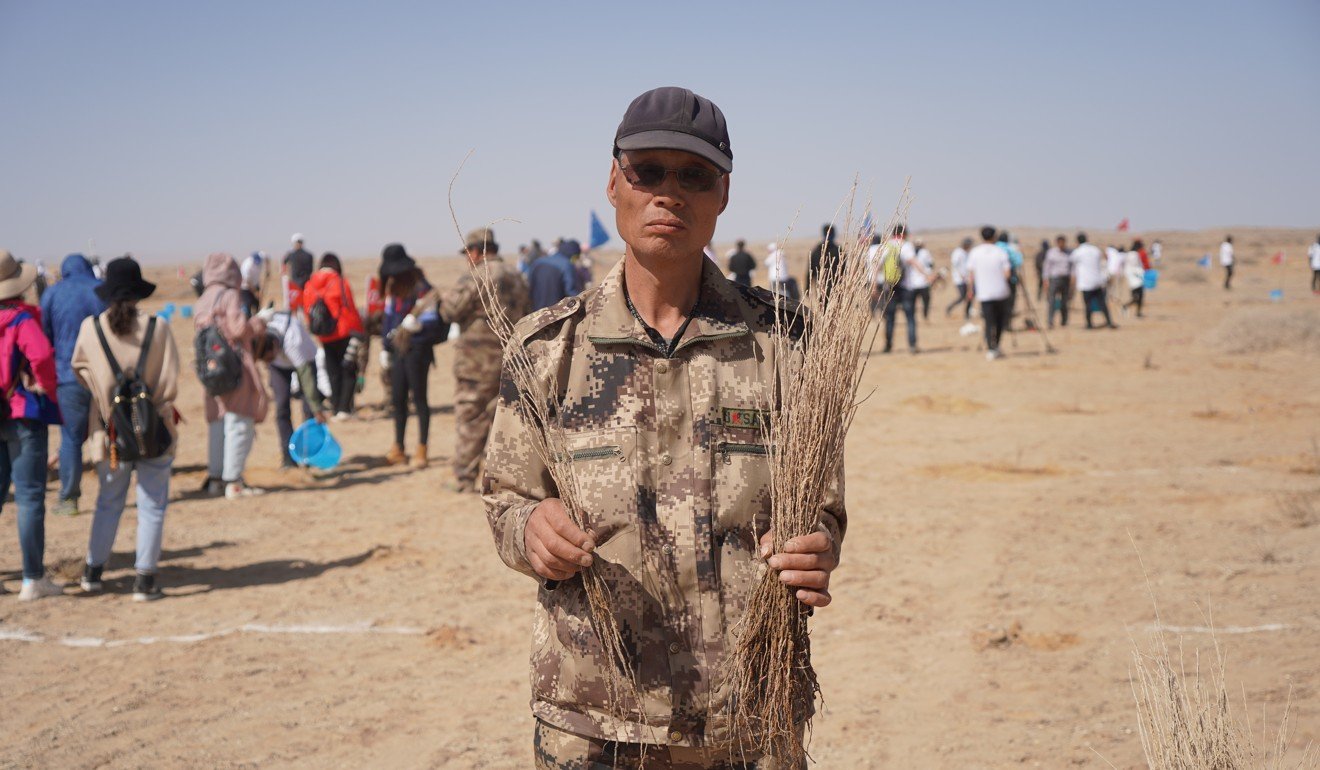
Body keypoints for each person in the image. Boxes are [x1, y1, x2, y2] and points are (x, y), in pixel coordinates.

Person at [485, 86, 843, 768]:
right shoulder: (547, 349)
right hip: (597, 725)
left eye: (694, 175)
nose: (669, 193)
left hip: (752, 720)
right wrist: (531, 530)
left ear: (723, 194)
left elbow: (823, 507)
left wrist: (817, 545)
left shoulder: (787, 345)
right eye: (648, 171)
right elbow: (505, 497)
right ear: (615, 182)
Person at [70, 257, 179, 601]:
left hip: (109, 434)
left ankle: (93, 572)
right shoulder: (158, 328)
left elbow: (79, 369)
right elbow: (170, 381)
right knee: (152, 505)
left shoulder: (91, 329)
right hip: (153, 432)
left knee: (108, 501)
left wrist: (105, 398)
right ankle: (144, 580)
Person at [441, 228, 530, 492]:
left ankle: (465, 479)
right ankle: (503, 483)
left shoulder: (478, 275)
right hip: (511, 361)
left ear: (477, 251)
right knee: (504, 424)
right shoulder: (517, 275)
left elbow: (450, 311)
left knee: (471, 418)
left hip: (476, 363)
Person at [0, 251, 62, 600]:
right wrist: (46, 387)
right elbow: (40, 355)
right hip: (21, 412)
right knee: (28, 497)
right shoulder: (22, 320)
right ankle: (32, 577)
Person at [194, 252, 269, 499]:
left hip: (211, 373)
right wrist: (259, 322)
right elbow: (238, 329)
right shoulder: (229, 296)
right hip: (234, 370)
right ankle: (233, 481)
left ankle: (216, 479)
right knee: (239, 423)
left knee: (218, 423)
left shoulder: (203, 299)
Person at [39, 253, 105, 517]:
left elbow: (46, 335)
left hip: (68, 375)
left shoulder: (52, 294)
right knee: (112, 431)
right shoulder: (100, 290)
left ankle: (68, 498)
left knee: (71, 439)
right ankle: (115, 491)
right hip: (102, 376)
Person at [378, 243, 446, 468]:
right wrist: (385, 348)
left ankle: (421, 449)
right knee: (398, 399)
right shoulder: (393, 289)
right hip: (399, 351)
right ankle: (398, 447)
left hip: (418, 351)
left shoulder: (422, 288)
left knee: (419, 399)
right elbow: (388, 320)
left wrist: (418, 327)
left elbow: (432, 322)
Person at [260, 305, 327, 469]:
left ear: (275, 346)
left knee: (309, 409)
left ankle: (310, 455)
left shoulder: (293, 341)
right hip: (280, 368)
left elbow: (307, 379)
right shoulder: (261, 334)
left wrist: (317, 407)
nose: (267, 362)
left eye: (270, 358)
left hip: (306, 359)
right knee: (282, 406)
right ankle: (288, 459)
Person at [301, 253, 365, 419]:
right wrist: (359, 331)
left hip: (324, 334)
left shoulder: (310, 284)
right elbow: (349, 307)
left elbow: (307, 310)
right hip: (344, 332)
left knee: (333, 371)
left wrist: (317, 330)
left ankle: (336, 407)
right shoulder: (340, 282)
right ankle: (344, 409)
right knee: (349, 369)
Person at [966, 226, 1012, 360]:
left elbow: (971, 274)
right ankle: (995, 345)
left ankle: (991, 348)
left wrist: (970, 290)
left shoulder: (975, 253)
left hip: (984, 294)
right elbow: (1007, 274)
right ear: (994, 236)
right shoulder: (1001, 252)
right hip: (1001, 292)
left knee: (988, 322)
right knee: (999, 322)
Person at [877, 226, 914, 353]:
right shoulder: (906, 245)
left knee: (890, 318)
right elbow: (912, 261)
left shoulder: (886, 246)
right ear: (903, 234)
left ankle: (888, 345)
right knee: (910, 317)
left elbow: (878, 265)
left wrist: (874, 285)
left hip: (889, 286)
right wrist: (926, 275)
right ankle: (912, 345)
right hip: (905, 286)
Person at [1070, 232, 1116, 329]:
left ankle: (1089, 324)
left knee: (1088, 304)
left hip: (1086, 283)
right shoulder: (1095, 249)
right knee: (1102, 303)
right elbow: (1104, 258)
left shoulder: (1077, 252)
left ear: (1077, 241)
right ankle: (1109, 322)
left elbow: (1071, 262)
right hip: (1098, 281)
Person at [528, 238, 581, 311]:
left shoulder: (538, 262)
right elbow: (570, 290)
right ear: (573, 255)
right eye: (576, 258)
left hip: (535, 310)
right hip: (554, 313)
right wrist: (582, 300)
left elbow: (529, 283)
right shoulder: (566, 265)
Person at [1042, 235, 1073, 328]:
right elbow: (1046, 267)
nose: (1061, 244)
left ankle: (1064, 320)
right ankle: (1050, 321)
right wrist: (1045, 280)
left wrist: (1072, 279)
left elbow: (1072, 267)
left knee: (1064, 302)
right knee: (1051, 301)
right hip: (1054, 279)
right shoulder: (1051, 253)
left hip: (1066, 279)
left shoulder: (1070, 253)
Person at [805, 222, 841, 293]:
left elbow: (810, 270)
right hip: (834, 287)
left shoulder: (817, 250)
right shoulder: (838, 250)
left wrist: (807, 287)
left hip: (821, 287)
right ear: (834, 234)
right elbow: (844, 270)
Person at [283, 234, 314, 311]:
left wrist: (284, 273)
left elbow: (284, 262)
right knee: (305, 305)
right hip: (306, 283)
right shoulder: (309, 255)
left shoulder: (291, 255)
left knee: (295, 306)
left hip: (295, 285)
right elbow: (311, 270)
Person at [1122, 239, 1151, 318]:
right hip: (1136, 278)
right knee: (1137, 297)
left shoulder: (1129, 254)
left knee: (1138, 297)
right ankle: (1127, 306)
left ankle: (1136, 312)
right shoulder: (1134, 255)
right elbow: (1137, 266)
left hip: (1133, 278)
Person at [946, 237, 973, 318]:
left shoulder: (967, 253)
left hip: (967, 279)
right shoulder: (957, 252)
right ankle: (949, 308)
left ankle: (967, 314)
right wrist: (961, 275)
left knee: (970, 295)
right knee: (962, 296)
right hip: (959, 279)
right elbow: (955, 265)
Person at [909, 238, 935, 320]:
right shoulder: (925, 252)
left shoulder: (910, 253)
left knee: (912, 302)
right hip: (924, 282)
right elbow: (931, 264)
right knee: (926, 301)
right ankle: (925, 315)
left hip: (912, 283)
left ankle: (912, 317)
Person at [239, 251, 266, 317]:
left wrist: (268, 270)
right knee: (248, 304)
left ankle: (257, 318)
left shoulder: (261, 257)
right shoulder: (246, 266)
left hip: (256, 284)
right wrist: (255, 292)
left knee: (257, 304)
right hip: (246, 288)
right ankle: (248, 320)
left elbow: (267, 259)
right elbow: (248, 282)